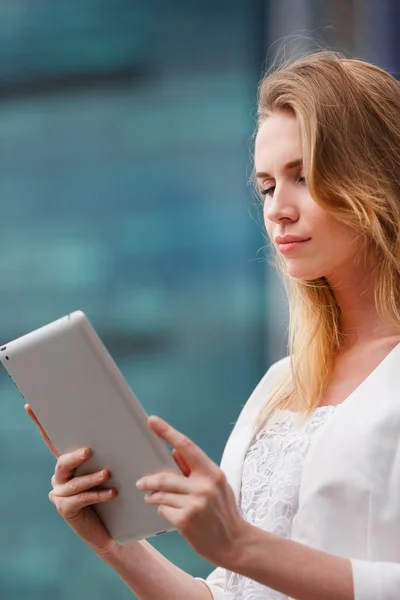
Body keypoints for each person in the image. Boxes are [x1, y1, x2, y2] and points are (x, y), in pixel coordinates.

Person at [26, 50, 400, 600]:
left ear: (376, 177)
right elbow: (230, 594)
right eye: (268, 186)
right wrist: (115, 544)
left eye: (305, 175)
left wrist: (240, 544)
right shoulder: (280, 386)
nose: (278, 209)